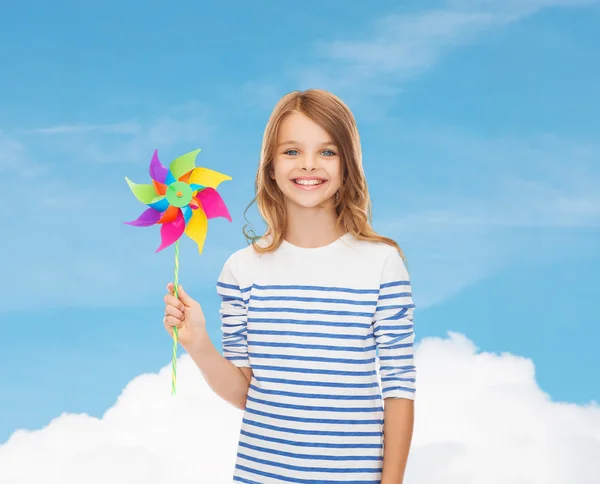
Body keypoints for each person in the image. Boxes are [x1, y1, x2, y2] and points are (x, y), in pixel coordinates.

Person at [163, 88, 416, 483]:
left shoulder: (382, 264)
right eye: (292, 151)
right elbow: (246, 394)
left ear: (348, 165)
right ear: (270, 167)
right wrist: (197, 343)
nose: (309, 165)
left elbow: (399, 388)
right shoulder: (241, 271)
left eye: (327, 152)